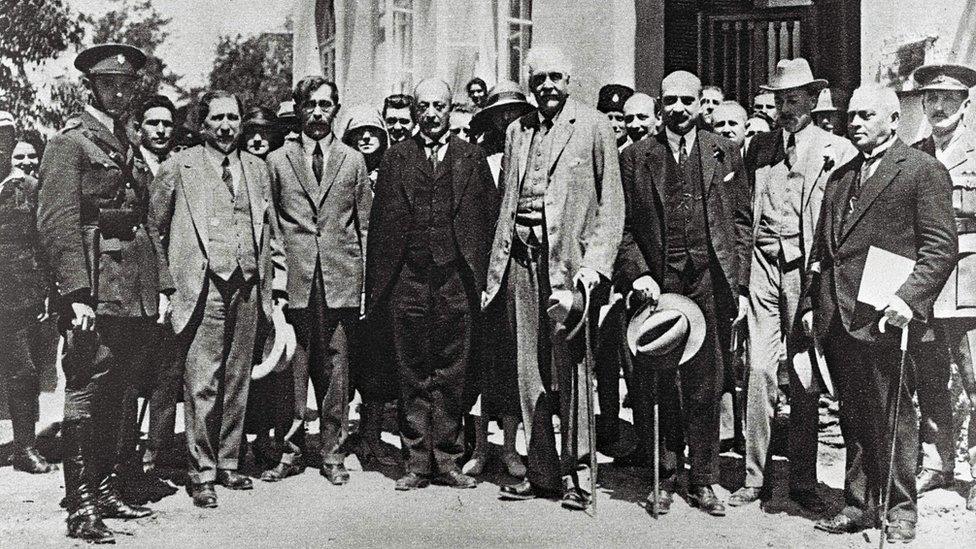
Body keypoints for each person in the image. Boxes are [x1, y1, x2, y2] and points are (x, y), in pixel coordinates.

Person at [803, 85, 956, 543]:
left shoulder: (922, 171)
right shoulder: (841, 175)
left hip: (887, 316)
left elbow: (940, 247)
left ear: (893, 120)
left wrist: (909, 299)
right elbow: (822, 249)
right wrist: (813, 304)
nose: (855, 123)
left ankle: (900, 508)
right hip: (840, 315)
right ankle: (858, 502)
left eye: (866, 115)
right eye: (851, 116)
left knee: (892, 416)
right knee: (852, 414)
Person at [487, 46, 624, 511]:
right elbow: (507, 200)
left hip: (570, 266)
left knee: (573, 369)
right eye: (538, 78)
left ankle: (580, 474)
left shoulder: (594, 126)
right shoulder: (516, 130)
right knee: (529, 371)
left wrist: (594, 268)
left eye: (554, 77)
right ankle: (542, 471)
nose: (546, 86)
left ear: (570, 79)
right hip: (521, 262)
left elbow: (612, 208)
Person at [615, 70, 750, 518]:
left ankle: (705, 479)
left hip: (708, 281)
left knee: (705, 382)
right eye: (669, 100)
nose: (678, 109)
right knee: (656, 380)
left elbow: (742, 223)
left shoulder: (725, 151)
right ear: (660, 103)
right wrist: (637, 274)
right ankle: (664, 474)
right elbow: (625, 228)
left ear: (700, 104)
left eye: (687, 101)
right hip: (659, 281)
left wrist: (739, 282)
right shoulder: (636, 157)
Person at [36, 43, 157, 543]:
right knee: (86, 389)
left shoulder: (125, 138)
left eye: (128, 85)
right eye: (111, 84)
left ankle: (105, 487)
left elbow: (145, 222)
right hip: (95, 288)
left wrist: (160, 287)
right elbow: (58, 224)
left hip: (131, 289)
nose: (121, 92)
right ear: (92, 87)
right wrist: (75, 295)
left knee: (118, 389)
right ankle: (80, 506)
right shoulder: (70, 142)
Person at [149, 89, 288, 509]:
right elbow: (155, 230)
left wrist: (276, 284)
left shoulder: (258, 169)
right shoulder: (178, 167)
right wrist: (165, 287)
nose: (226, 126)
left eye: (233, 118)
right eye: (217, 119)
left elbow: (272, 229)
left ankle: (229, 462)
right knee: (202, 381)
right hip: (202, 285)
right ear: (202, 124)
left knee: (237, 377)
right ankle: (202, 472)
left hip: (248, 283)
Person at [730, 59, 856, 512]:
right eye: (780, 99)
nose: (786, 107)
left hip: (806, 272)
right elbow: (743, 216)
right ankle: (754, 476)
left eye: (795, 98)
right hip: (762, 267)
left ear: (812, 99)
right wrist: (741, 284)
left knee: (803, 373)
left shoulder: (835, 149)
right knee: (760, 370)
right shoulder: (758, 148)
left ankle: (802, 479)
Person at [366, 78, 498, 491]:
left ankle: (447, 458)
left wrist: (480, 278)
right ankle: (416, 461)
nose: (431, 113)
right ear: (417, 110)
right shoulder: (395, 158)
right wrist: (379, 288)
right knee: (412, 367)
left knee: (452, 367)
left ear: (449, 108)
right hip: (409, 278)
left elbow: (488, 219)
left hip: (455, 279)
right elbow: (382, 227)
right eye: (424, 106)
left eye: (439, 105)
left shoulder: (471, 158)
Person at [263, 76, 371, 485]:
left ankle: (332, 452)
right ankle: (290, 450)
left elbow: (365, 227)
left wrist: (363, 288)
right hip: (295, 280)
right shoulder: (278, 160)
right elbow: (270, 225)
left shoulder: (353, 160)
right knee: (293, 367)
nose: (319, 112)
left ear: (336, 110)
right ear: (299, 108)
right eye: (311, 104)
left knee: (337, 367)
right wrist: (275, 280)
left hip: (341, 281)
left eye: (327, 105)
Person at [909, 63, 976, 510]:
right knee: (929, 375)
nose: (938, 106)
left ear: (966, 104)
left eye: (948, 99)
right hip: (927, 280)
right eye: (930, 98)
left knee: (975, 376)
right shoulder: (914, 153)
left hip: (971, 278)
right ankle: (937, 461)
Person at [117, 94, 181, 479]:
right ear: (138, 127)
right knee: (127, 373)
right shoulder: (128, 165)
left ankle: (157, 452)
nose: (160, 131)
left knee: (167, 373)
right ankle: (123, 455)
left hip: (177, 283)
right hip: (134, 281)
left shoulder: (183, 165)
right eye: (153, 124)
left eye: (167, 124)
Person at [0, 111, 57, 476]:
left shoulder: (29, 189)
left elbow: (44, 244)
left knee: (23, 370)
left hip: (16, 295)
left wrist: (45, 292)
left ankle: (24, 446)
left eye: (7, 135)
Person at [469, 80, 536, 185]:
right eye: (499, 111)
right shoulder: (482, 152)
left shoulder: (533, 145)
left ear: (523, 111)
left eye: (512, 110)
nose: (505, 117)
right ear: (491, 116)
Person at [341, 104, 389, 188]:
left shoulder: (392, 172)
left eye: (372, 131)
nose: (366, 137)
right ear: (350, 138)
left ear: (382, 136)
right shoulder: (341, 174)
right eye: (359, 132)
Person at [597, 83, 634, 151]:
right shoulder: (592, 151)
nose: (613, 125)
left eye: (620, 119)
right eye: (608, 118)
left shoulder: (636, 151)